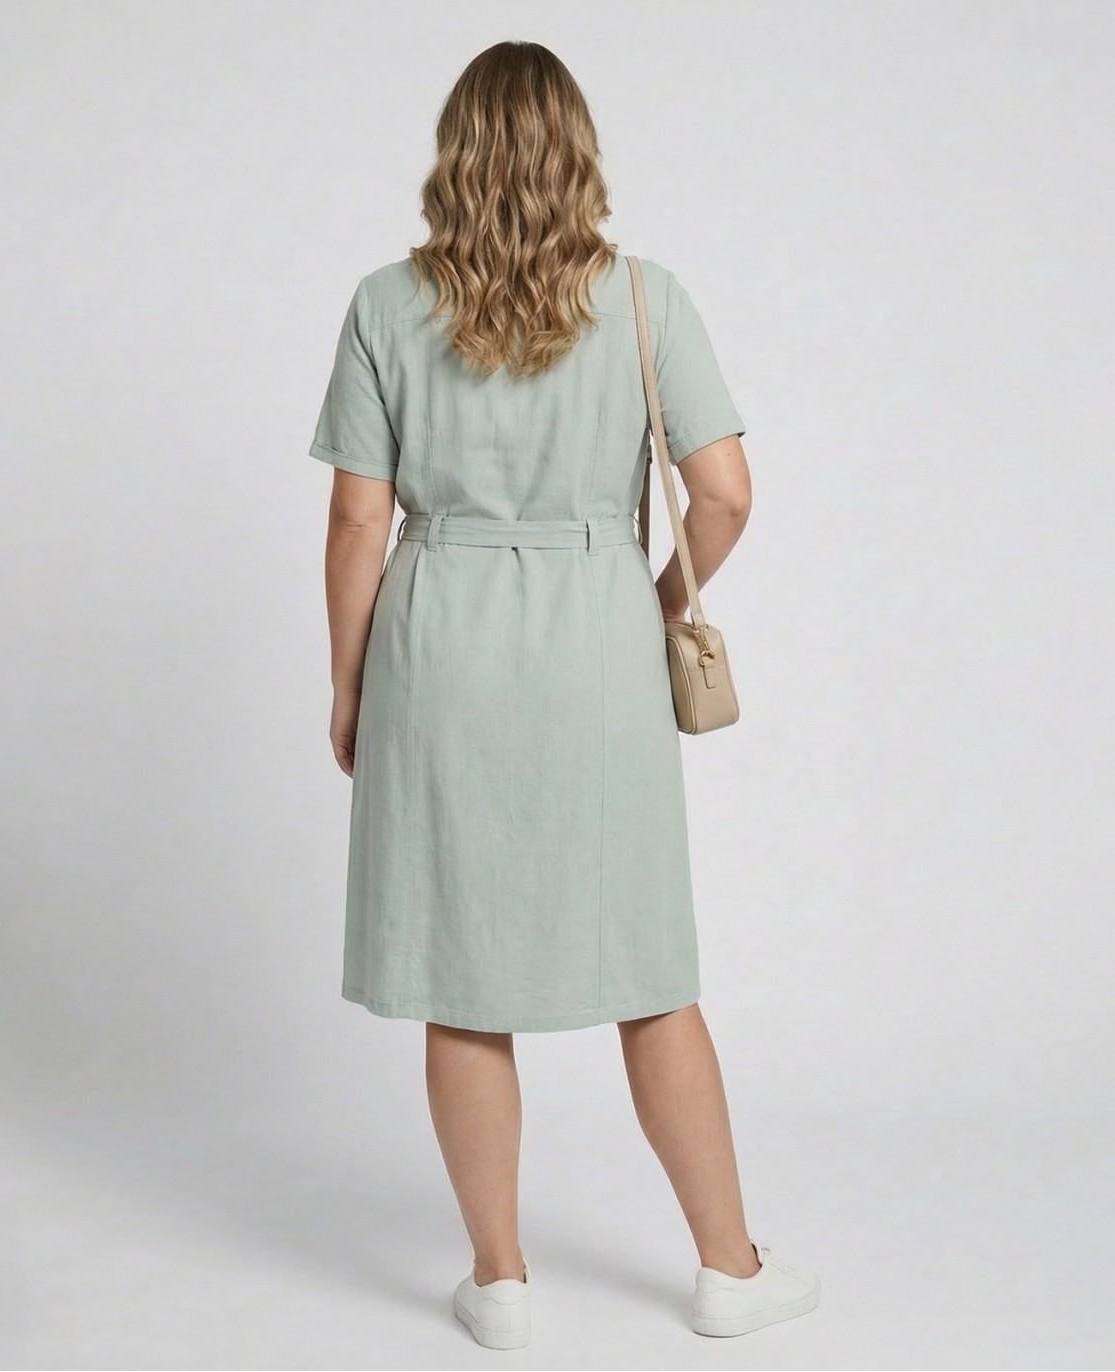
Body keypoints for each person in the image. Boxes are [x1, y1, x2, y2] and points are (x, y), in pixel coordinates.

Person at [309, 39, 819, 1351]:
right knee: (649, 966)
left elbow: (359, 521)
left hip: (438, 649)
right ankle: (730, 1269)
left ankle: (502, 1284)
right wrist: (654, 601)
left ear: (455, 154)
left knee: (463, 978)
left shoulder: (384, 305)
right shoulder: (646, 299)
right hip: (597, 651)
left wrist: (351, 682)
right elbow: (725, 494)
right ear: (578, 151)